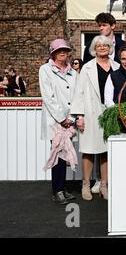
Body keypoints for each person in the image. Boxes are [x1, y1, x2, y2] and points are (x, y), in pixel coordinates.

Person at [71, 35, 120, 201]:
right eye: (98, 45)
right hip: (91, 112)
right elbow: (79, 92)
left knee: (106, 150)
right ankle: (86, 184)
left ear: (109, 47)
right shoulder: (87, 68)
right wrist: (79, 116)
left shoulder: (117, 66)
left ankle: (104, 185)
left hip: (110, 113)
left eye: (105, 45)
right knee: (89, 150)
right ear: (94, 49)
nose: (102, 48)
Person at [39, 39, 78, 204]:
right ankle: (57, 190)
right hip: (55, 121)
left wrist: (72, 118)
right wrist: (62, 118)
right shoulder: (45, 70)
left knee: (65, 154)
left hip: (69, 120)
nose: (63, 53)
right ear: (52, 52)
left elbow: (77, 95)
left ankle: (61, 187)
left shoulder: (73, 72)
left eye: (65, 50)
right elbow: (48, 97)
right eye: (59, 50)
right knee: (57, 153)